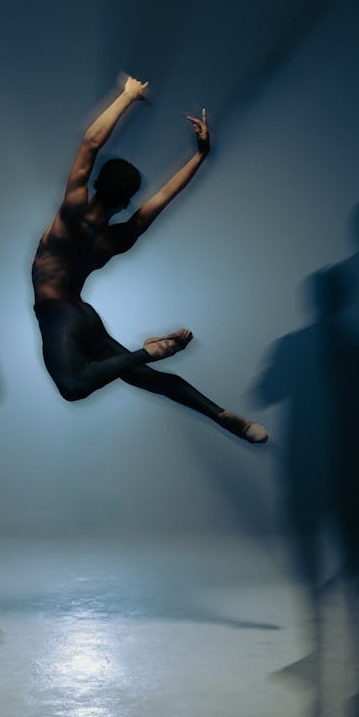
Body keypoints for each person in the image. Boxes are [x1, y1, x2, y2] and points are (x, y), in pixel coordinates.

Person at [31, 73, 266, 443]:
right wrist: (200, 155)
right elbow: (165, 196)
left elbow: (91, 143)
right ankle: (218, 413)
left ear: (95, 185)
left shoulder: (71, 215)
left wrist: (127, 95)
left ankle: (146, 353)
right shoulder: (120, 236)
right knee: (147, 381)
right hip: (83, 314)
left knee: (74, 387)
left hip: (56, 312)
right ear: (126, 202)